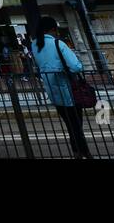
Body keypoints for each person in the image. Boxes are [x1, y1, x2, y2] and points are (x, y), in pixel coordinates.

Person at [29, 16, 91, 158]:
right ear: (52, 29)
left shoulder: (34, 45)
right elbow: (75, 66)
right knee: (76, 125)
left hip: (53, 91)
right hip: (69, 91)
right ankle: (83, 152)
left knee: (70, 125)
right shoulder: (58, 43)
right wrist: (79, 65)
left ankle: (78, 152)